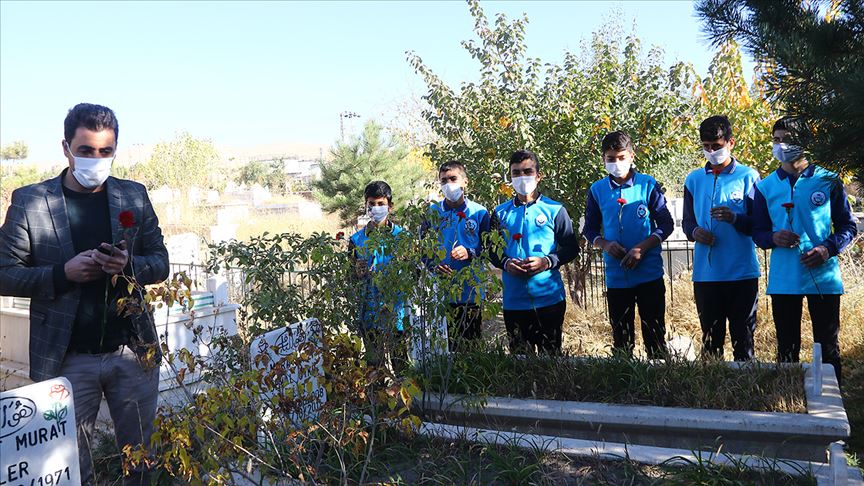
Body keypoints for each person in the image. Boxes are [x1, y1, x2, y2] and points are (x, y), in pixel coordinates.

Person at [0, 103, 169, 485]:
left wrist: (128, 266)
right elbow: (4, 275)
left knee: (142, 463)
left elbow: (161, 262)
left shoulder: (133, 196)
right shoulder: (31, 202)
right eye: (86, 150)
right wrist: (63, 274)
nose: (96, 159)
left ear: (115, 149)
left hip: (132, 353)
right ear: (66, 148)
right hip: (66, 359)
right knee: (71, 468)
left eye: (105, 151)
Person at [752, 116, 858, 386]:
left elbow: (848, 226)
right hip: (784, 279)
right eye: (776, 140)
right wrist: (773, 237)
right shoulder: (764, 187)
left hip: (823, 277)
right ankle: (787, 398)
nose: (781, 145)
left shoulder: (828, 180)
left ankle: (832, 400)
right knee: (787, 347)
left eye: (787, 139)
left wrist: (827, 248)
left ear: (804, 142)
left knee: (828, 346)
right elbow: (758, 232)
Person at [582, 131, 673, 359]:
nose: (617, 163)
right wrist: (604, 244)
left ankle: (659, 376)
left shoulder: (648, 184)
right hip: (617, 276)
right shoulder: (597, 190)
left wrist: (642, 248)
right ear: (603, 159)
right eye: (611, 158)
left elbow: (666, 224)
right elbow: (589, 230)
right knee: (622, 341)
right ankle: (624, 378)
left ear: (632, 156)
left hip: (649, 274)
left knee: (655, 338)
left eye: (621, 157)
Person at [682, 115, 761, 361]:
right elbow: (687, 223)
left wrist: (734, 218)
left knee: (743, 343)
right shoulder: (693, 179)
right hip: (706, 276)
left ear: (730, 143)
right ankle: (712, 386)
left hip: (742, 274)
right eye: (706, 146)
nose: (711, 151)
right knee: (711, 344)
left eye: (716, 146)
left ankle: (746, 385)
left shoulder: (749, 176)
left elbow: (759, 225)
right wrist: (695, 232)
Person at [491, 150, 579, 354]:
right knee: (520, 362)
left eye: (527, 171)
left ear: (538, 176)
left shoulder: (555, 209)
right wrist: (506, 263)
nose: (522, 177)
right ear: (510, 177)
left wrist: (546, 261)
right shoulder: (499, 213)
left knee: (552, 360)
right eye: (516, 173)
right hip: (514, 301)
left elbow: (571, 248)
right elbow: (491, 250)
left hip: (549, 299)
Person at [422, 160, 491, 351]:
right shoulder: (432, 212)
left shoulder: (480, 212)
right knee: (444, 349)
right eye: (444, 180)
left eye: (453, 178)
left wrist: (470, 252)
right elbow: (423, 251)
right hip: (440, 295)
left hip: (470, 294)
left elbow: (490, 249)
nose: (448, 184)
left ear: (465, 182)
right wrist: (434, 266)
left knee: (471, 349)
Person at [348, 180, 408, 372]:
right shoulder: (356, 240)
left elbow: (413, 275)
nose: (376, 208)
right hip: (369, 311)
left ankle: (404, 391)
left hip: (396, 311)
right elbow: (350, 277)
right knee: (374, 365)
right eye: (371, 204)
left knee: (400, 361)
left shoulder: (402, 237)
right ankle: (377, 391)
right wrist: (357, 273)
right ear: (366, 206)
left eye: (380, 203)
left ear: (390, 206)